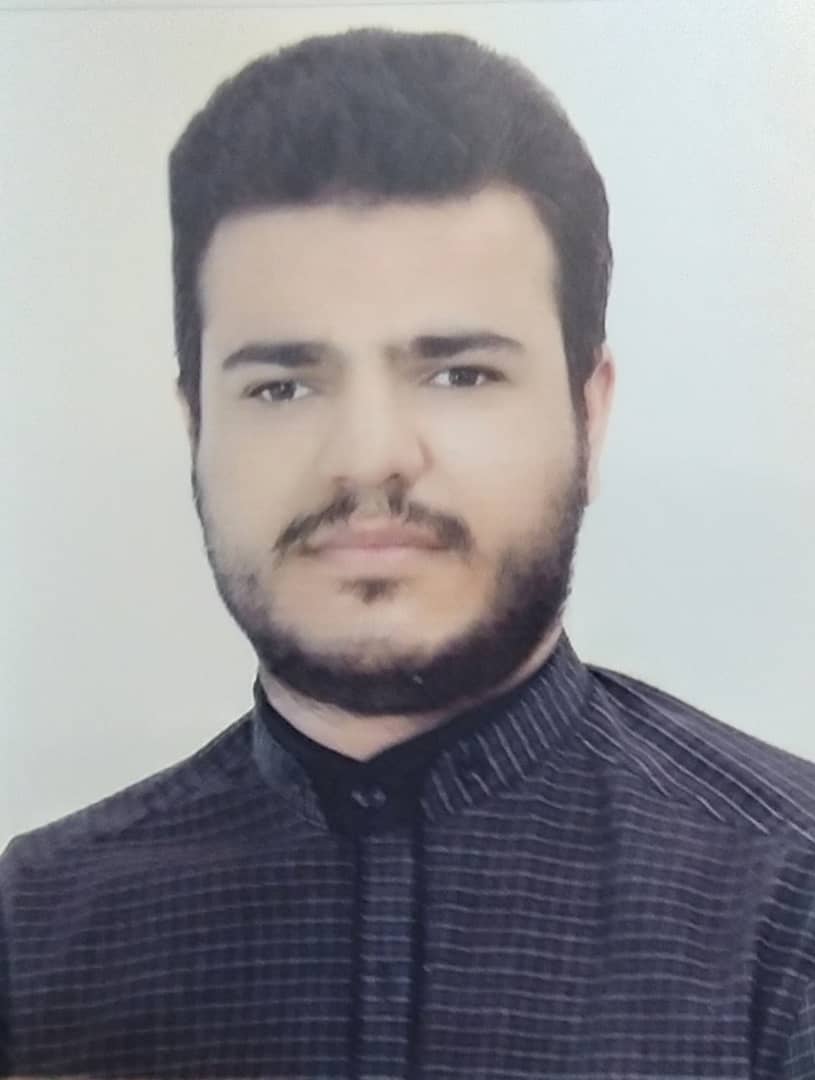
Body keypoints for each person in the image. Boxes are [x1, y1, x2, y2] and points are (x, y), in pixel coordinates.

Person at [1, 25, 814, 1080]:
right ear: (196, 426)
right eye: (282, 386)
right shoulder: (36, 931)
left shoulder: (791, 902)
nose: (367, 457)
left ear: (589, 413)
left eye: (458, 374)